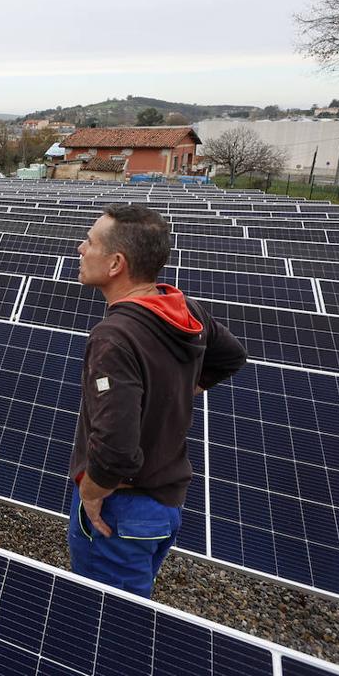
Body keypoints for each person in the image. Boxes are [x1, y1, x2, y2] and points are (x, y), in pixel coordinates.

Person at [68, 203, 245, 597]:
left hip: (120, 510)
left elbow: (115, 448)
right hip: (164, 507)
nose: (80, 248)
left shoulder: (114, 337)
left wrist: (92, 493)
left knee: (108, 633)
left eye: (90, 242)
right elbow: (232, 356)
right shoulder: (185, 311)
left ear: (116, 264)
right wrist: (188, 384)